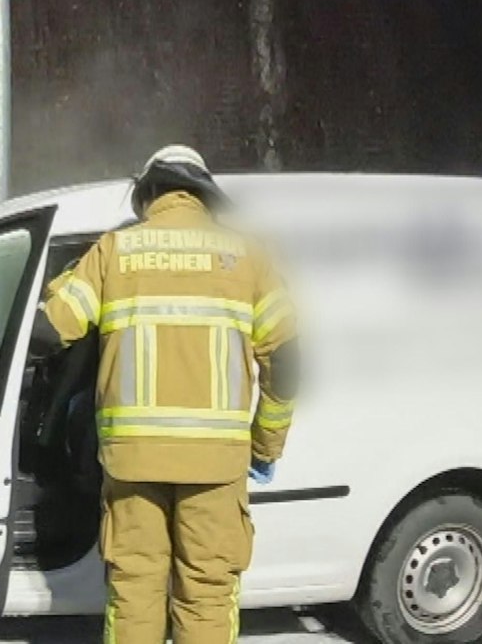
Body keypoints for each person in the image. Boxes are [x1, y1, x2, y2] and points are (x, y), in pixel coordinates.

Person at [32, 145, 298, 644]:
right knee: (207, 597)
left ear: (149, 194)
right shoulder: (248, 258)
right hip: (216, 468)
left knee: (134, 594)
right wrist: (265, 446)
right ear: (205, 197)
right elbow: (287, 362)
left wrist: (62, 282)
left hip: (132, 464)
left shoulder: (114, 251)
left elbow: (51, 329)